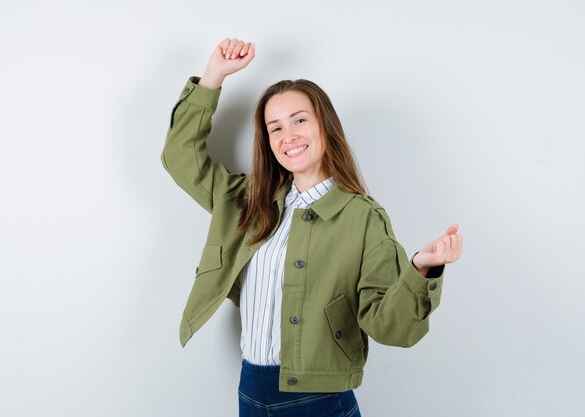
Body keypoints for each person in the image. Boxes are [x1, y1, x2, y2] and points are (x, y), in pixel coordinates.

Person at [161, 37, 463, 417]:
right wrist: (213, 76)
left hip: (321, 401)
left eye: (300, 120)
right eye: (275, 128)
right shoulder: (246, 200)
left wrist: (421, 270)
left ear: (325, 125)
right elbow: (180, 158)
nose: (289, 137)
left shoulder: (363, 217)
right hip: (250, 392)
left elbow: (391, 328)